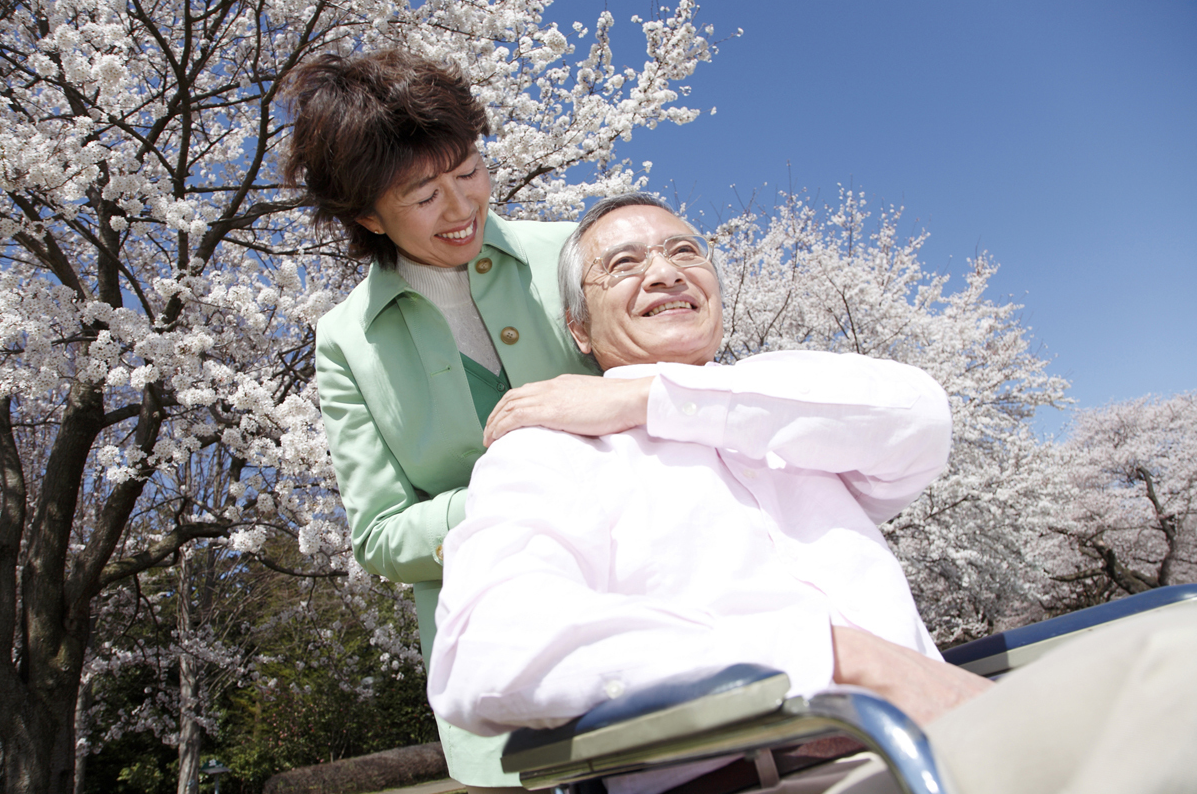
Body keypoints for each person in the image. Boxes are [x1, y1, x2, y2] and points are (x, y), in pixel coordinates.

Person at [429, 194, 1197, 794]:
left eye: (684, 251)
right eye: (623, 264)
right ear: (579, 327)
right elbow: (487, 652)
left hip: (964, 742)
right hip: (788, 772)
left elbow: (919, 418)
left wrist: (653, 397)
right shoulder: (549, 452)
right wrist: (837, 657)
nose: (663, 272)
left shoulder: (783, 413)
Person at [283, 49, 610, 790]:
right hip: (501, 664)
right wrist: (509, 498)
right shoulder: (345, 341)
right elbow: (379, 536)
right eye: (423, 193)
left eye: (469, 171)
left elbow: (674, 403)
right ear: (367, 213)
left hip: (646, 610)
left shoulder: (573, 252)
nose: (462, 207)